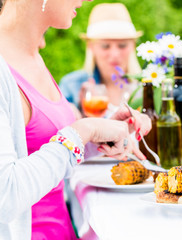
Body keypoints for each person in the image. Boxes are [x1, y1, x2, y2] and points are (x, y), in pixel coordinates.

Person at [0, 0, 151, 239]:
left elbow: (41, 153)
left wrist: (102, 135)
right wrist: (85, 129)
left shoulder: (33, 57)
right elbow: (5, 196)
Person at [59, 3, 143, 113]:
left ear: (133, 45)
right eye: (105, 46)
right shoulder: (72, 85)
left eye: (122, 45)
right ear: (90, 46)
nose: (114, 54)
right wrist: (80, 111)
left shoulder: (147, 87)